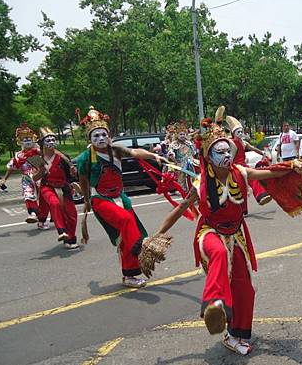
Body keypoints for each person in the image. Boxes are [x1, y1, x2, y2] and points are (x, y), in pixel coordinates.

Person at [151, 110, 302, 356]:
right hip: (210, 233)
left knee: (245, 288)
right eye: (220, 152)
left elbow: (270, 173)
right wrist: (155, 237)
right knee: (218, 254)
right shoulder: (200, 183)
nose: (226, 155)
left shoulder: (241, 172)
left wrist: (292, 165)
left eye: (228, 151)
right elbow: (179, 210)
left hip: (236, 235)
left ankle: (236, 333)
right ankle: (214, 304)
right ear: (208, 156)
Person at [76, 106, 168, 288]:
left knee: (126, 236)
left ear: (108, 135)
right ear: (90, 138)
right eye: (96, 136)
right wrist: (86, 201)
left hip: (121, 198)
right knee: (127, 222)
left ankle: (129, 275)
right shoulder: (85, 158)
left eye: (104, 134)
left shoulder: (116, 150)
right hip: (100, 199)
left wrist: (154, 155)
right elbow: (83, 180)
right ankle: (141, 248)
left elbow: (135, 153)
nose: (101, 138)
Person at [35, 127, 79, 249]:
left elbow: (71, 176)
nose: (51, 142)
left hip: (64, 187)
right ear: (42, 143)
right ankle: (61, 231)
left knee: (72, 214)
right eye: (48, 140)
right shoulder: (39, 159)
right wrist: (41, 171)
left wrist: (73, 173)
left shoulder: (64, 157)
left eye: (53, 139)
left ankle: (70, 239)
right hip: (47, 187)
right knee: (54, 204)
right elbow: (34, 178)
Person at [225, 109, 272, 206]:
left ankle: (261, 195)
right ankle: (260, 196)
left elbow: (253, 148)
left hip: (243, 165)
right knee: (248, 181)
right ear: (234, 133)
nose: (241, 133)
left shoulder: (243, 142)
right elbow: (231, 155)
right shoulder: (232, 142)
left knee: (253, 177)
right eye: (238, 131)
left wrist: (263, 153)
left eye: (241, 131)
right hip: (236, 166)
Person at [0, 122, 42, 223]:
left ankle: (43, 219)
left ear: (33, 140)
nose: (27, 141)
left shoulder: (39, 151)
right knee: (28, 195)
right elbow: (11, 168)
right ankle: (32, 214)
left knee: (43, 198)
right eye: (24, 139)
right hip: (27, 179)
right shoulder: (18, 156)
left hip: (40, 177)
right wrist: (4, 179)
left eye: (29, 139)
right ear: (21, 142)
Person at [170, 120, 198, 191]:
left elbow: (194, 152)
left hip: (191, 163)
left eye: (183, 134)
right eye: (180, 134)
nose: (182, 136)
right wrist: (174, 158)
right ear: (177, 135)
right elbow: (170, 153)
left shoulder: (189, 143)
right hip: (180, 165)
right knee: (182, 182)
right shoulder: (174, 144)